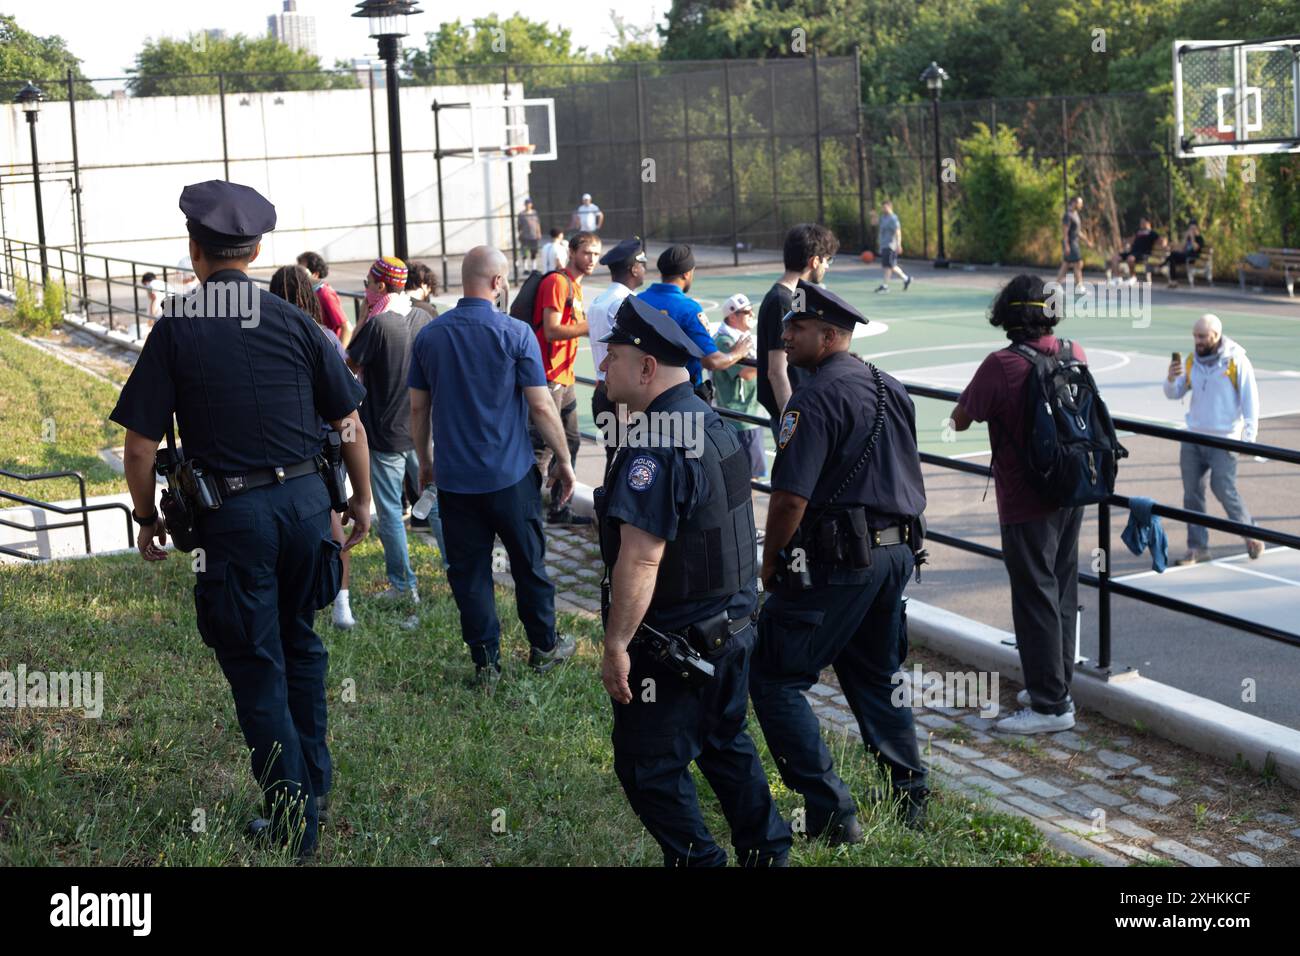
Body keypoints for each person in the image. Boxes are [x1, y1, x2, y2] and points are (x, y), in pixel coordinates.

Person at [111, 180, 372, 860]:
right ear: (256, 250)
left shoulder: (175, 327)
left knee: (257, 666)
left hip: (236, 519)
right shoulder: (299, 322)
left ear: (194, 249)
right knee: (302, 646)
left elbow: (139, 447)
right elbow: (348, 421)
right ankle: (313, 783)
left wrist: (146, 516)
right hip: (310, 511)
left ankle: (292, 823)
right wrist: (361, 501)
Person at [595, 294, 792, 867]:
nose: (604, 367)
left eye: (613, 356)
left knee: (648, 766)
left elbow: (641, 559)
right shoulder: (710, 420)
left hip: (676, 641)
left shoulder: (655, 443)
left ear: (647, 367)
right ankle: (768, 852)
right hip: (729, 628)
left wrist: (615, 646)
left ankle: (699, 861)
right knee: (724, 741)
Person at [750, 281, 929, 840]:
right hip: (897, 554)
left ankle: (831, 811)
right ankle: (911, 797)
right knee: (877, 676)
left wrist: (771, 560)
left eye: (796, 329)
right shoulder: (889, 385)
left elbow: (789, 499)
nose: (785, 335)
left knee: (774, 676)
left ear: (828, 337)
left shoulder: (812, 398)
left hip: (839, 563)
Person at [409, 246, 578, 686]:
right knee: (529, 566)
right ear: (499, 282)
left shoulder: (430, 335)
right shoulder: (517, 333)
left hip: (456, 482)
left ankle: (486, 664)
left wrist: (426, 464)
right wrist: (563, 460)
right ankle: (544, 647)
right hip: (512, 476)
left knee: (470, 576)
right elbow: (541, 407)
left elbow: (417, 410)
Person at [950, 274, 1085, 734]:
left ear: (1007, 312)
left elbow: (962, 418)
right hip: (1070, 487)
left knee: (1033, 596)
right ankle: (1055, 684)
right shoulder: (1072, 351)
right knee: (1062, 589)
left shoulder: (1001, 364)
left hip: (1026, 496)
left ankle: (1050, 706)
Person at [270, 264, 360, 630]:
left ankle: (287, 598)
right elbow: (348, 409)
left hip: (286, 444)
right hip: (330, 444)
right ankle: (342, 603)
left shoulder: (267, 336)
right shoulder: (326, 337)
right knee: (334, 519)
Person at [348, 256, 446, 594]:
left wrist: (362, 317)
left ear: (380, 286)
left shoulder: (377, 324)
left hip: (385, 432)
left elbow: (348, 366)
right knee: (435, 503)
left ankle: (404, 586)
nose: (364, 290)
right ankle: (455, 572)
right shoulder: (423, 317)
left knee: (390, 511)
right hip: (423, 431)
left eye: (367, 284)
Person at [1163, 313, 1263, 564]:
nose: (1197, 340)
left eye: (1202, 336)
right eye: (1195, 335)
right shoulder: (1190, 361)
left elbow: (1251, 401)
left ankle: (1251, 533)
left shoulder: (1236, 362)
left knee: (1224, 488)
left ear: (1216, 336)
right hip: (1194, 436)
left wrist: (1248, 438)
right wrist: (1170, 378)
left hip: (1224, 438)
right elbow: (1174, 394)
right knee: (1192, 494)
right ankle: (1197, 547)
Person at [531, 231, 599, 525]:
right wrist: (588, 327)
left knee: (570, 441)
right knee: (543, 449)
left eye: (596, 254)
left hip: (565, 377)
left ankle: (558, 509)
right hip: (548, 377)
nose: (592, 259)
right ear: (572, 252)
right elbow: (552, 329)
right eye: (587, 253)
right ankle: (526, 516)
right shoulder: (557, 283)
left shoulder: (575, 286)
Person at [756, 224, 839, 440]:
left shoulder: (796, 296)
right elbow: (776, 370)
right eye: (826, 260)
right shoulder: (781, 301)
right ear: (814, 261)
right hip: (794, 414)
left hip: (805, 407)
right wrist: (790, 422)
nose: (827, 267)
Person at [637, 244, 751, 395]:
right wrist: (738, 353)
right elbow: (712, 361)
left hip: (643, 391)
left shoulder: (638, 301)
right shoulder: (689, 309)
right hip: (679, 397)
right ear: (686, 274)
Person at [586, 236, 647, 475]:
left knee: (615, 458)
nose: (643, 269)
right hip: (622, 399)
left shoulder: (599, 301)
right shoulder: (625, 303)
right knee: (625, 463)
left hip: (602, 390)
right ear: (633, 268)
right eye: (641, 264)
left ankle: (606, 510)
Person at [711, 293, 766, 479]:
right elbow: (746, 373)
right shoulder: (725, 341)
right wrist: (772, 360)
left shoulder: (738, 337)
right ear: (732, 316)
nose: (752, 315)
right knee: (750, 477)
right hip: (741, 417)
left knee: (747, 475)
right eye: (747, 312)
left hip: (745, 414)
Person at [297, 251, 351, 347]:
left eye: (301, 272)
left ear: (315, 274)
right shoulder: (305, 292)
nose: (297, 275)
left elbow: (346, 328)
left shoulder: (325, 293)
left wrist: (339, 357)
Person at [1106, 217, 1159, 282]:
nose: (1141, 224)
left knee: (1130, 258)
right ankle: (1117, 277)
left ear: (1148, 223)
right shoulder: (1138, 232)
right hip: (1132, 252)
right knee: (1115, 258)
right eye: (1141, 222)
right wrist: (1126, 241)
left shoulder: (1152, 233)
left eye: (1143, 222)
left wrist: (1164, 244)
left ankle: (1133, 277)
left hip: (1143, 254)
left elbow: (1160, 241)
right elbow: (1132, 239)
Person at [873, 201, 911, 293]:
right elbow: (874, 223)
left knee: (889, 266)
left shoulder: (893, 218)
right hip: (884, 245)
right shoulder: (883, 217)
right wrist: (873, 215)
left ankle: (885, 285)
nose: (883, 209)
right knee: (890, 266)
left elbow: (898, 232)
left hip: (891, 245)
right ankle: (906, 279)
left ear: (890, 207)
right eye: (883, 207)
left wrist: (899, 244)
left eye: (885, 207)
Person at [1054, 195, 1087, 287]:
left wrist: (1086, 240)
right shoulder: (1068, 215)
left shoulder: (1075, 214)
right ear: (1074, 203)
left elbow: (1077, 231)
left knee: (1066, 265)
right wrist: (1067, 245)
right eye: (1080, 203)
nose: (1081, 205)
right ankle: (1079, 287)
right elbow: (1065, 232)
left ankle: (1056, 286)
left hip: (1075, 243)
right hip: (1070, 243)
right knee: (1078, 263)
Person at [1161, 220, 1205, 287]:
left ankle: (1163, 264)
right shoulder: (1188, 239)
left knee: (1172, 255)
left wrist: (1192, 237)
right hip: (1184, 256)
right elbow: (1181, 249)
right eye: (1190, 229)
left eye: (1193, 229)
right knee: (1172, 259)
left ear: (1197, 229)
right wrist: (1185, 238)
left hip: (1191, 258)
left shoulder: (1200, 238)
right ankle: (1174, 281)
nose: (1191, 231)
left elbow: (1195, 248)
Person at [517, 197, 542, 273]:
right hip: (525, 236)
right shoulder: (521, 214)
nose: (528, 205)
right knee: (525, 252)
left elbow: (537, 223)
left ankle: (534, 268)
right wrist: (520, 233)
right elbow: (519, 225)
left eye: (529, 203)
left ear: (531, 204)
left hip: (534, 236)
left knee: (534, 252)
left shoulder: (535, 213)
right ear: (525, 204)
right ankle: (525, 268)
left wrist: (539, 232)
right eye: (527, 203)